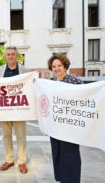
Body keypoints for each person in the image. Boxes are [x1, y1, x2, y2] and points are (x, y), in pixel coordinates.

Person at [47, 54, 82, 183]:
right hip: (55, 127)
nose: (56, 68)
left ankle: (72, 180)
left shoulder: (74, 81)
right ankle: (62, 179)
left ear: (65, 66)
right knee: (58, 154)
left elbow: (83, 101)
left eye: (59, 65)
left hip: (70, 126)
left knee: (70, 155)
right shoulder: (50, 83)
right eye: (54, 66)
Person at [0, 46, 28, 173]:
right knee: (6, 135)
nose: (11, 56)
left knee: (21, 136)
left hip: (19, 108)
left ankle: (22, 161)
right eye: (8, 54)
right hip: (4, 109)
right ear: (5, 56)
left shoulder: (24, 70)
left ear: (17, 55)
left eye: (13, 54)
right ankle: (9, 160)